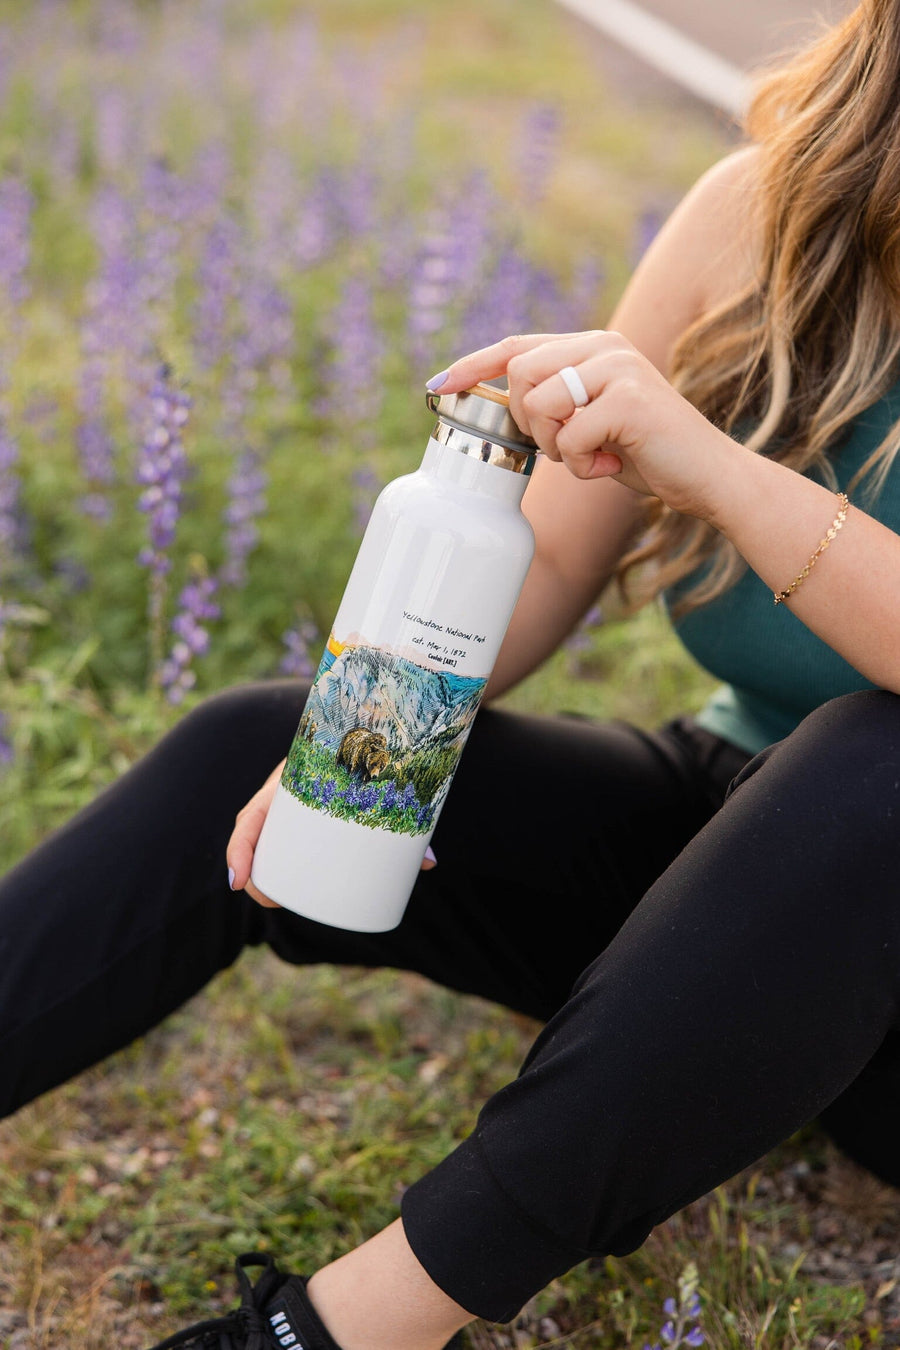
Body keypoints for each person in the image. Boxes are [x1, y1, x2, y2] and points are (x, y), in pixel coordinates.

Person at [6, 1, 900, 1345]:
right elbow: (538, 575)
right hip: (737, 849)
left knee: (881, 766)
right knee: (261, 740)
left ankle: (337, 1329)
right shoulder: (758, 220)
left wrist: (714, 467)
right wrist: (357, 745)